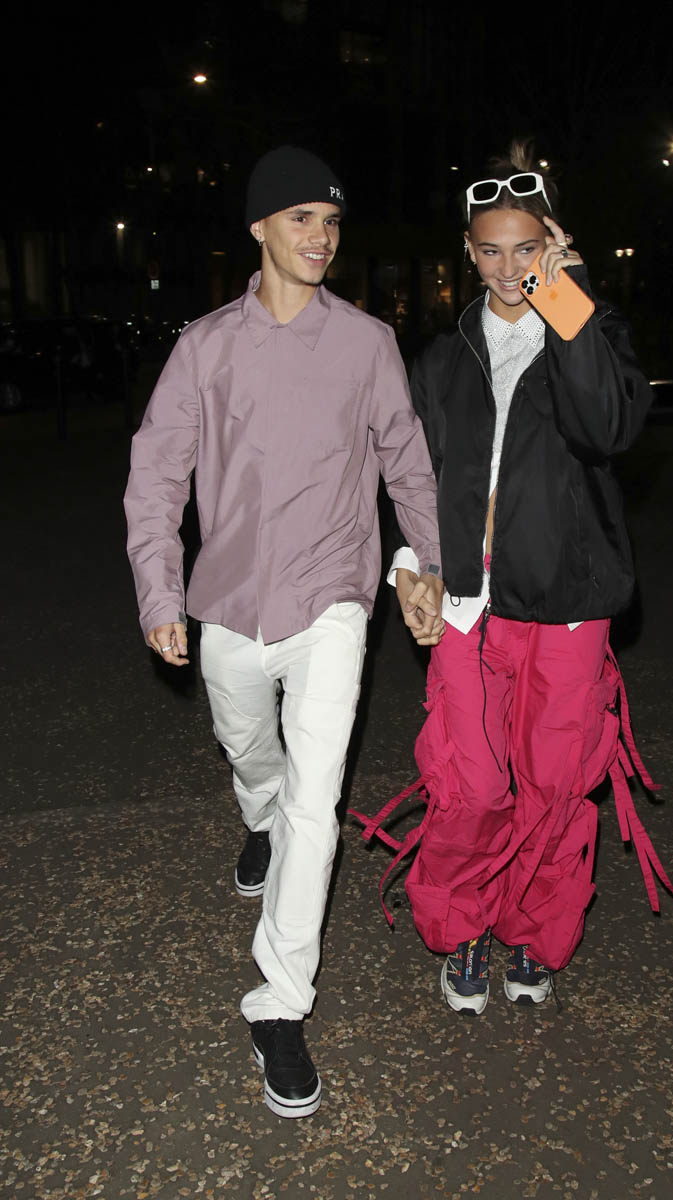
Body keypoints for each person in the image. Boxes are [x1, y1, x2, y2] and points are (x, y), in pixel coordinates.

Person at [124, 146, 443, 1117]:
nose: (321, 237)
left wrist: (423, 563)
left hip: (334, 597)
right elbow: (156, 474)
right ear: (259, 227)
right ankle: (255, 814)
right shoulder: (204, 347)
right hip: (229, 598)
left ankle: (279, 1002)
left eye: (332, 222)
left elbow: (406, 460)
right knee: (249, 749)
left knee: (317, 798)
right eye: (301, 218)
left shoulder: (367, 344)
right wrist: (159, 592)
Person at [357, 139, 673, 1015]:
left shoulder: (590, 329)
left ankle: (535, 931)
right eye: (492, 250)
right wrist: (411, 568)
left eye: (527, 248)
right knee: (471, 781)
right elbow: (410, 474)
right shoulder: (441, 357)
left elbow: (608, 428)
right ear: (468, 252)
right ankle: (461, 924)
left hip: (567, 600)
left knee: (554, 780)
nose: (509, 267)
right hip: (468, 603)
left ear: (555, 244)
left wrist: (565, 298)